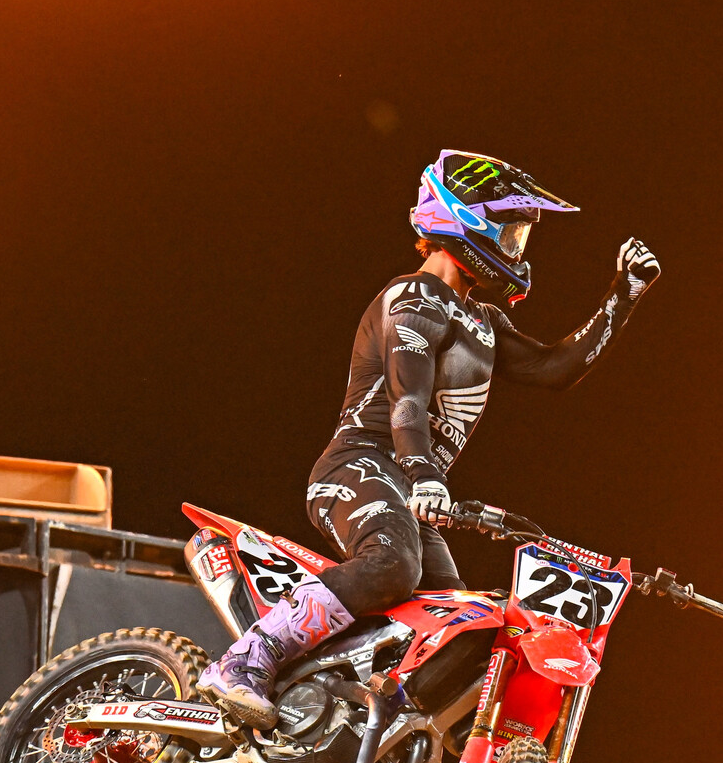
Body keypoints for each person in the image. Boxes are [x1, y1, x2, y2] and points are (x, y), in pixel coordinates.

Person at [196, 150, 662, 725]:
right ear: (467, 221)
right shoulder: (413, 298)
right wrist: (422, 474)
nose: (519, 250)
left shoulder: (483, 321)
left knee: (466, 629)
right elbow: (407, 398)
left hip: (413, 493)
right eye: (511, 232)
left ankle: (366, 727)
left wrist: (624, 294)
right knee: (394, 566)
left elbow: (554, 369)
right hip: (360, 465)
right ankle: (244, 662)